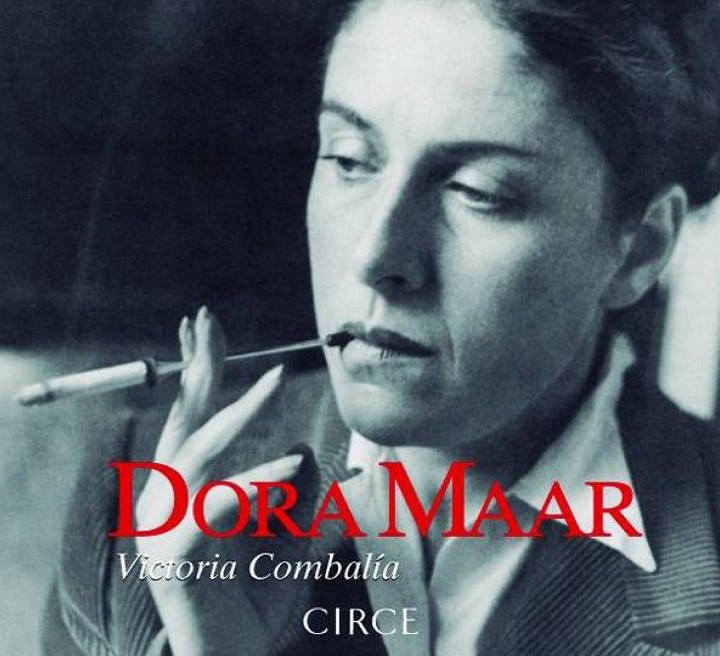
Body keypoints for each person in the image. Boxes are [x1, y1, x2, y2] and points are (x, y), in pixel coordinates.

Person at [44, 0, 720, 654]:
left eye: (478, 191)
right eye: (348, 159)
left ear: (639, 250)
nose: (374, 257)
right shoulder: (133, 505)